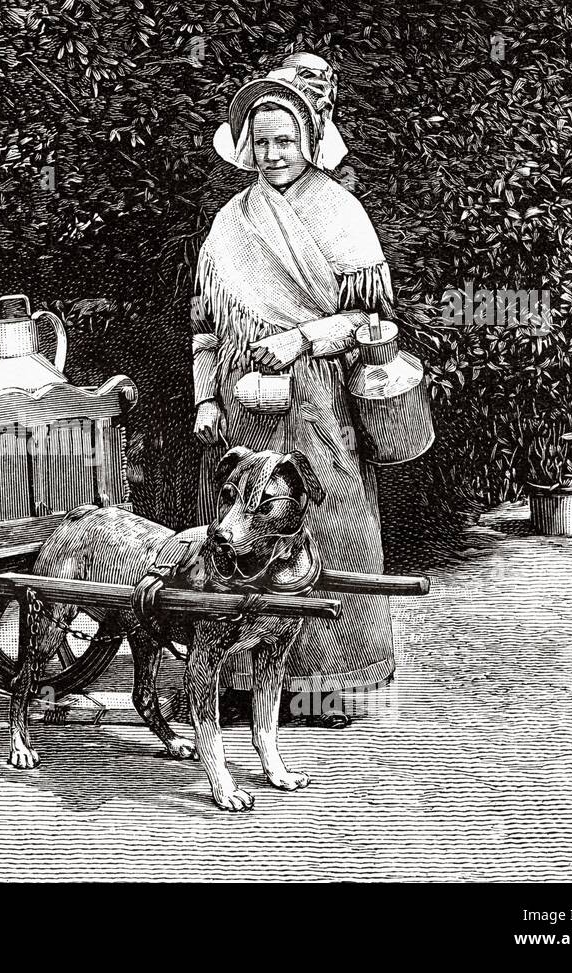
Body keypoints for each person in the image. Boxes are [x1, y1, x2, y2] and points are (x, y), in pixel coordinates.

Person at [192, 55, 395, 716]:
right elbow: (203, 324)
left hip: (315, 399)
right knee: (239, 526)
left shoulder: (340, 211)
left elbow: (372, 318)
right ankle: (242, 684)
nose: (273, 153)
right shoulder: (230, 222)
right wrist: (203, 396)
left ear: (307, 142)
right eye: (262, 143)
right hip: (239, 407)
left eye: (285, 141)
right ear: (245, 148)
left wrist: (302, 338)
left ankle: (332, 685)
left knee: (330, 520)